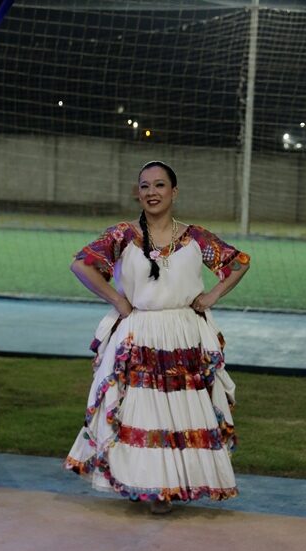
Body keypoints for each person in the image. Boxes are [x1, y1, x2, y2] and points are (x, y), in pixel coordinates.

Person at [65, 160, 250, 514]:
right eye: (145, 186)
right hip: (139, 333)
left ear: (174, 192)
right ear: (138, 192)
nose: (152, 192)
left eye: (160, 185)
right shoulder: (122, 235)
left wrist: (210, 297)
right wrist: (118, 300)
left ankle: (176, 484)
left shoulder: (195, 237)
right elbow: (81, 265)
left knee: (182, 412)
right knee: (142, 411)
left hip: (183, 335)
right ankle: (146, 486)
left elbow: (238, 263)